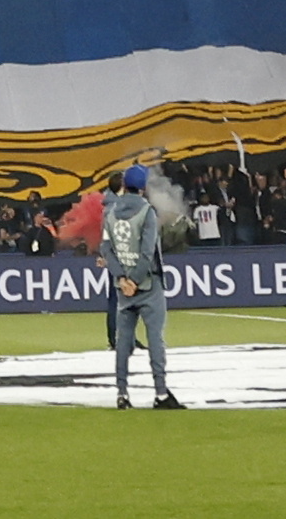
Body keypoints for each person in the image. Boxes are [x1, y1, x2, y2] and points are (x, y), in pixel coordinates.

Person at [100, 160, 186, 409]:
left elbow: (106, 247)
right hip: (148, 286)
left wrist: (122, 279)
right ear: (142, 187)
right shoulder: (147, 211)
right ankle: (160, 394)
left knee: (122, 341)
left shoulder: (110, 212)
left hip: (124, 287)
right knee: (155, 340)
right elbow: (147, 253)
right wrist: (135, 281)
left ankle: (122, 394)